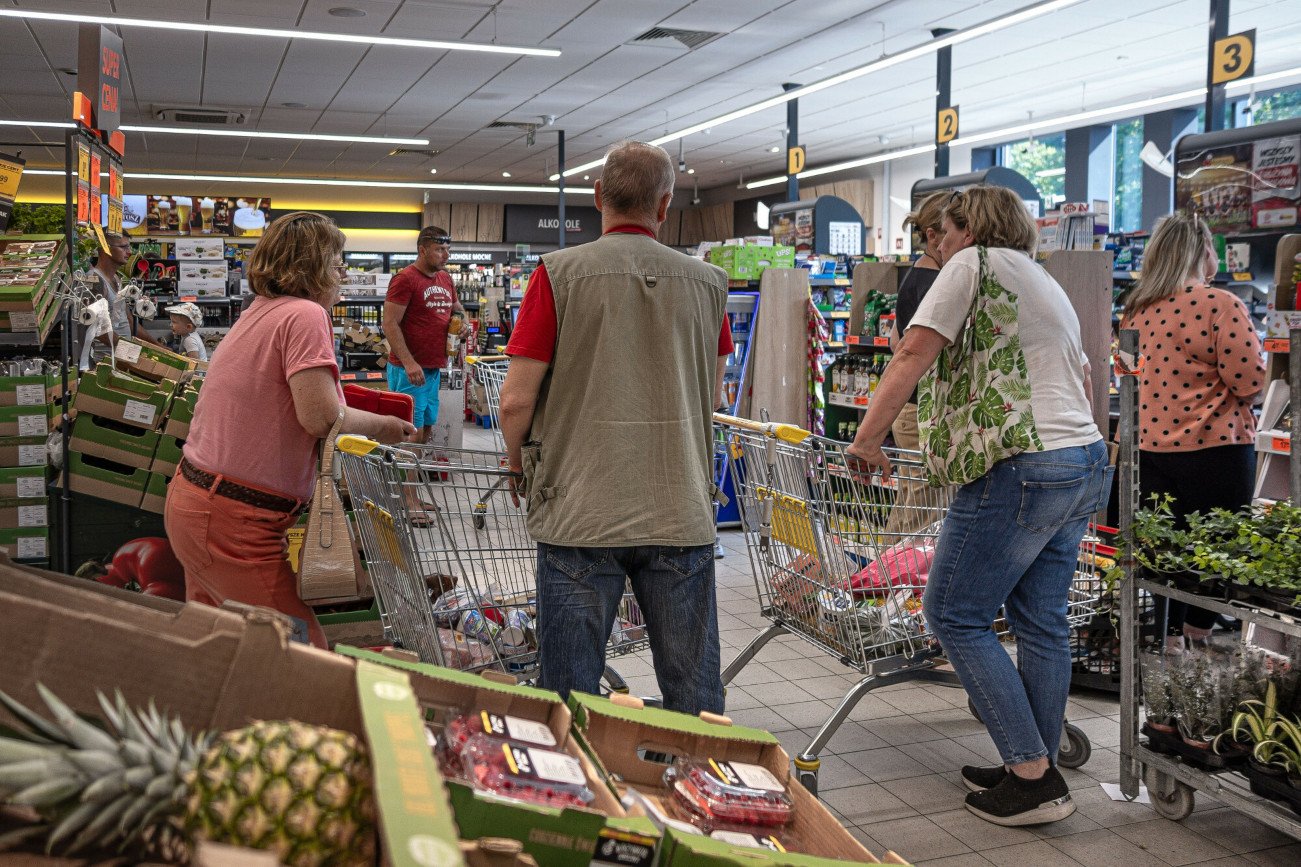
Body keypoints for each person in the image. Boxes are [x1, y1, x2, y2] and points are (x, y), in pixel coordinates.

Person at [848, 186, 1108, 826]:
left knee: (953, 612)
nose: (934, 245)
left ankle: (1031, 775)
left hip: (1019, 462)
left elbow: (912, 351)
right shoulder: (1043, 281)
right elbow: (1083, 378)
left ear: (968, 228)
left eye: (941, 231)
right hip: (1082, 458)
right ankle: (1038, 762)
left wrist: (866, 438)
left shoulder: (972, 264)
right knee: (1041, 620)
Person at [498, 140, 734, 715]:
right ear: (665, 204)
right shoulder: (709, 285)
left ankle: (581, 796)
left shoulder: (557, 275)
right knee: (695, 697)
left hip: (581, 512)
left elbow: (513, 402)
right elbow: (715, 389)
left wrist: (515, 461)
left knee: (571, 697)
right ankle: (698, 792)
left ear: (597, 196)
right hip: (679, 509)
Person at [165, 212, 415, 648]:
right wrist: (387, 427)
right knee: (302, 658)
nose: (343, 272)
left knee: (218, 651)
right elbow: (319, 417)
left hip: (200, 504)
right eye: (338, 261)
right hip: (236, 524)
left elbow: (294, 400)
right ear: (314, 265)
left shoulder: (261, 312)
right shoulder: (304, 314)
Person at [1119, 211, 1264, 652]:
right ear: (1202, 251)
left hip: (1151, 454)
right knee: (1214, 555)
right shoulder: (1221, 305)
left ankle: (1169, 642)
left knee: (1168, 559)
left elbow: (1127, 379)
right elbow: (1250, 381)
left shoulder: (1136, 312)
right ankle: (1198, 646)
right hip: (1215, 452)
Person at [884, 191, 950, 537]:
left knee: (912, 507)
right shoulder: (936, 282)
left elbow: (896, 341)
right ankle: (890, 585)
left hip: (911, 411)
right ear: (933, 235)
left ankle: (881, 581)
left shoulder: (915, 275)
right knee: (921, 518)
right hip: (923, 411)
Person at [382, 226, 465, 444]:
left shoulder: (445, 279)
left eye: (448, 249)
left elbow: (457, 309)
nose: (446, 255)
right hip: (408, 370)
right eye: (439, 249)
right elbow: (390, 324)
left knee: (427, 426)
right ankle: (405, 477)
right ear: (422, 250)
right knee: (410, 432)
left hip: (432, 369)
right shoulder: (405, 279)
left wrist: (463, 322)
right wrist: (409, 363)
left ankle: (416, 476)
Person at [80, 231, 163, 368]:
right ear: (106, 249)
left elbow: (129, 321)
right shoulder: (94, 280)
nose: (129, 252)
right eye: (123, 247)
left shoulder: (116, 279)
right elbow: (98, 329)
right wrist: (130, 353)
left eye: (128, 247)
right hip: (104, 364)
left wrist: (158, 347)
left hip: (122, 360)